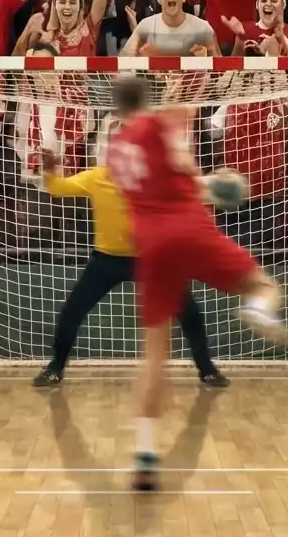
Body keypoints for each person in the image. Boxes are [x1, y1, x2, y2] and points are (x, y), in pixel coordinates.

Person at [106, 74, 288, 492]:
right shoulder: (156, 125)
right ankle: (256, 307)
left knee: (155, 357)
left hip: (149, 246)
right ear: (146, 101)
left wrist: (202, 183)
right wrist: (220, 182)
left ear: (115, 110)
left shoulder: (115, 150)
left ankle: (146, 456)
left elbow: (154, 182)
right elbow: (185, 162)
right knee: (261, 284)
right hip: (188, 227)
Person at [32, 117, 223, 390]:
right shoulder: (97, 176)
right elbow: (57, 188)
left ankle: (207, 371)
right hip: (107, 261)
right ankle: (54, 368)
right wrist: (49, 173)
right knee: (72, 311)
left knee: (189, 313)